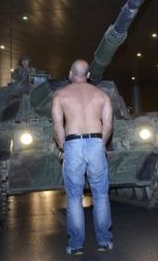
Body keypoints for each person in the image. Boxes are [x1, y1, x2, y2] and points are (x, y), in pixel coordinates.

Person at [52, 59, 114, 255]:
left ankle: (76, 245)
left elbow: (57, 127)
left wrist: (63, 147)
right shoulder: (102, 95)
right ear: (88, 75)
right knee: (101, 196)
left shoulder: (61, 95)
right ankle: (104, 241)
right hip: (96, 142)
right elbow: (108, 126)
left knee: (74, 197)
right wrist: (101, 144)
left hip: (73, 144)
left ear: (70, 74)